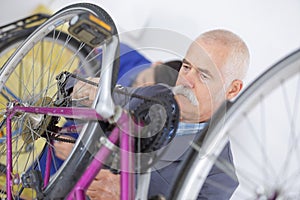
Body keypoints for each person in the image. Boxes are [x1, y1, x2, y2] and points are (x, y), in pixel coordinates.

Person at [57, 28, 250, 199]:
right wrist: (82, 90)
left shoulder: (219, 177)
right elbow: (85, 96)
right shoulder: (154, 95)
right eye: (186, 67)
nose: (185, 81)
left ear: (232, 90)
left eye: (203, 75)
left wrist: (129, 195)